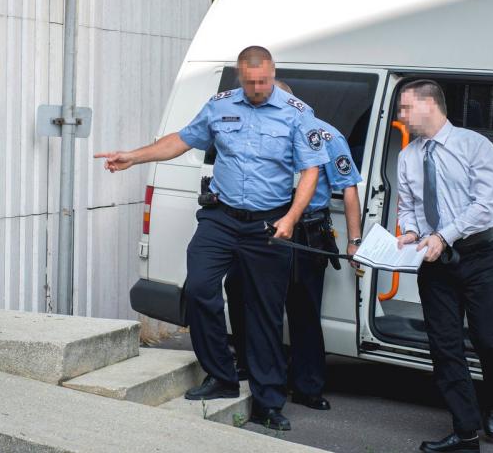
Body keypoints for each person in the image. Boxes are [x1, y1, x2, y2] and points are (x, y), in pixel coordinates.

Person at [95, 46, 327, 431]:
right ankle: (221, 375)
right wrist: (134, 157)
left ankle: (269, 402)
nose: (258, 88)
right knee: (199, 288)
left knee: (265, 313)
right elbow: (182, 139)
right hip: (220, 218)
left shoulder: (297, 113)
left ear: (273, 73)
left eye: (264, 81)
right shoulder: (220, 106)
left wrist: (290, 218)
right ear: (240, 76)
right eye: (250, 82)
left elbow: (311, 171)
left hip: (268, 225)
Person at [225, 81, 363, 412]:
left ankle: (307, 386)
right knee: (243, 295)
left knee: (304, 310)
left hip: (305, 232)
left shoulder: (326, 135)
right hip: (260, 228)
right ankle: (248, 365)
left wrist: (354, 240)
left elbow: (349, 188)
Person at [395, 80, 493, 452]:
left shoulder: (476, 146)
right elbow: (409, 206)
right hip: (434, 263)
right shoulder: (408, 156)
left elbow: (484, 207)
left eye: (406, 107)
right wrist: (411, 232)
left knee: (490, 341)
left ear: (430, 104)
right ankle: (466, 432)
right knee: (445, 347)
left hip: (478, 255)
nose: (401, 115)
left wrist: (443, 236)